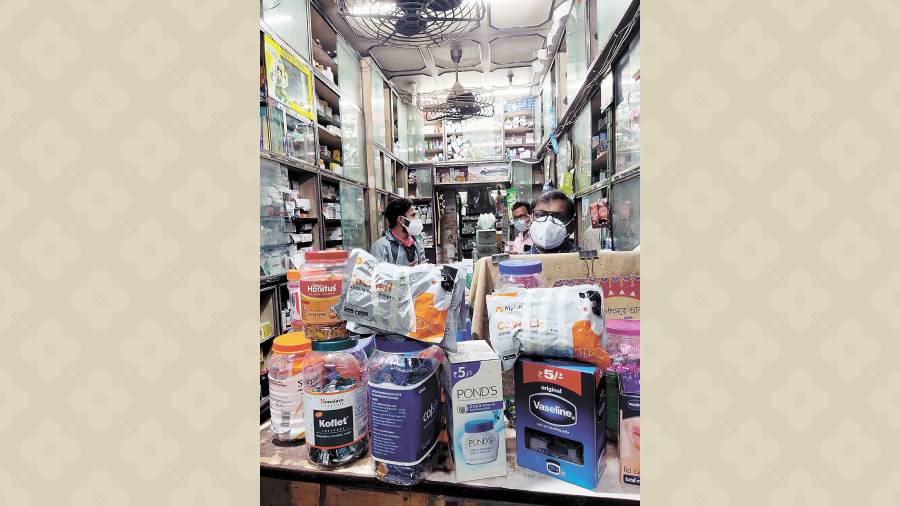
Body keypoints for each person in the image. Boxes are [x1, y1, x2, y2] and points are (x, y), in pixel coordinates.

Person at [370, 198, 427, 266]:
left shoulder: (416, 243)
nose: (417, 219)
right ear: (401, 219)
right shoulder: (381, 247)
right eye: (413, 215)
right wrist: (404, 273)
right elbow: (377, 275)